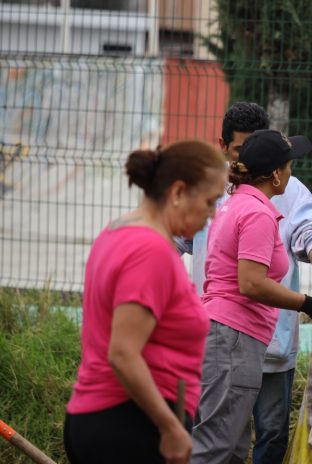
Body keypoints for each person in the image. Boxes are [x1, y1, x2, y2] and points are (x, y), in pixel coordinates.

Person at [181, 102, 312, 463]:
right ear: (276, 174)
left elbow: (309, 232)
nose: (292, 170)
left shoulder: (236, 202)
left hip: (237, 336)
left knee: (232, 443)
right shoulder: (256, 213)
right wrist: (309, 304)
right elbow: (250, 283)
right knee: (217, 444)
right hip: (233, 337)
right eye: (288, 164)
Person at [64, 140, 228, 464]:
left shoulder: (117, 231)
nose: (212, 215)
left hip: (110, 420)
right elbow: (123, 353)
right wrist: (170, 427)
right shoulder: (150, 251)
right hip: (130, 425)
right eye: (209, 202)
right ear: (178, 192)